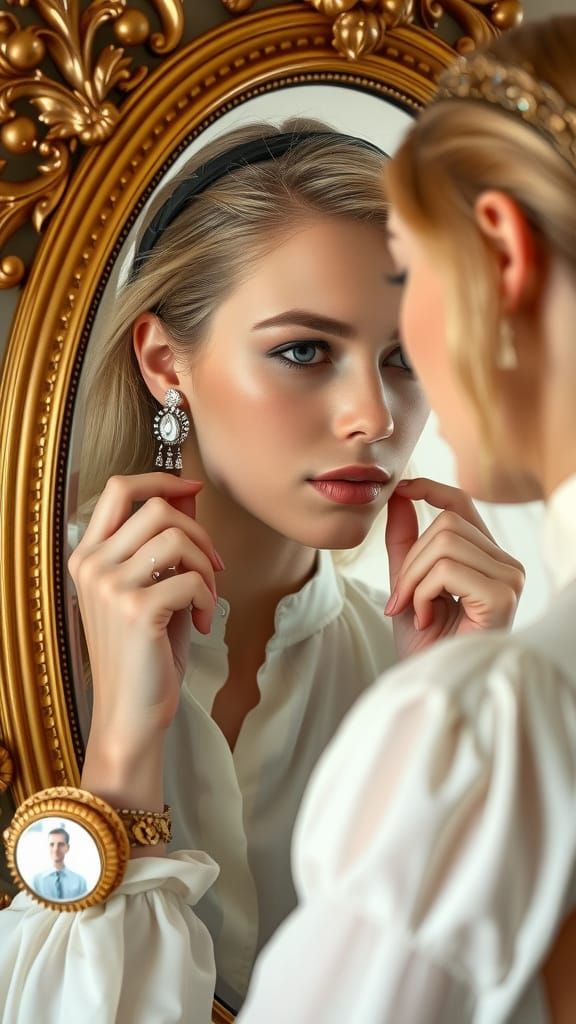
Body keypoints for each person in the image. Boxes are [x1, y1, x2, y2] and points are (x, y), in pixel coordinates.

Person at [0, 119, 523, 1021]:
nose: (375, 415)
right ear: (167, 363)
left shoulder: (405, 664)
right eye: (304, 351)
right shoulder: (22, 623)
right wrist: (121, 758)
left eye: (405, 359)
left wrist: (448, 723)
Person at [236, 15, 576, 1023]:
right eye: (303, 348)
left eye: (409, 268)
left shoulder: (494, 719)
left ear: (502, 254)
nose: (380, 417)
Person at [31, 828, 88, 902]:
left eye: (61, 844)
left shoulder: (80, 881)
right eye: (52, 844)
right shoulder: (36, 880)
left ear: (67, 848)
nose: (55, 849)